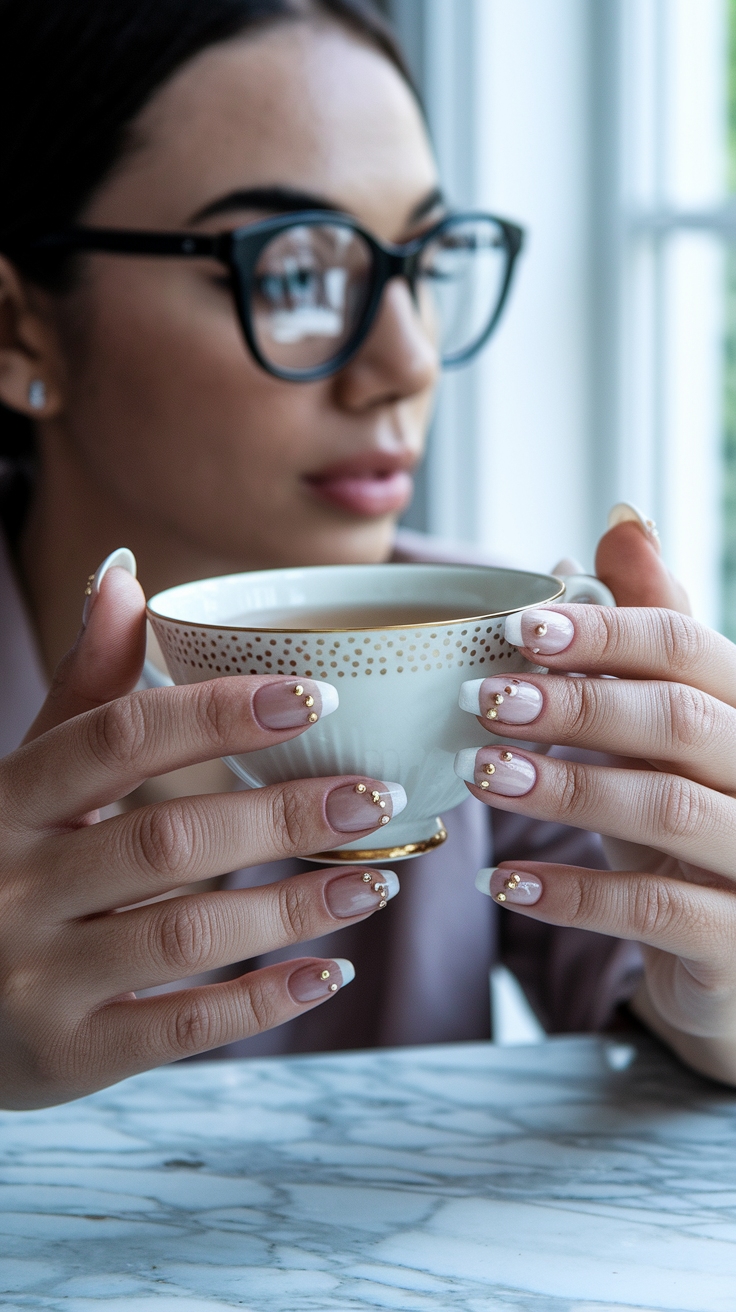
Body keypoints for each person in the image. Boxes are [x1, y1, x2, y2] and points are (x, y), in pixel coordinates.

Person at [1, 0, 735, 1111]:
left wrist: (712, 996)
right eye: (293, 275)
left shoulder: (501, 659)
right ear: (19, 332)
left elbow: (668, 1011)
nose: (404, 362)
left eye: (425, 262)